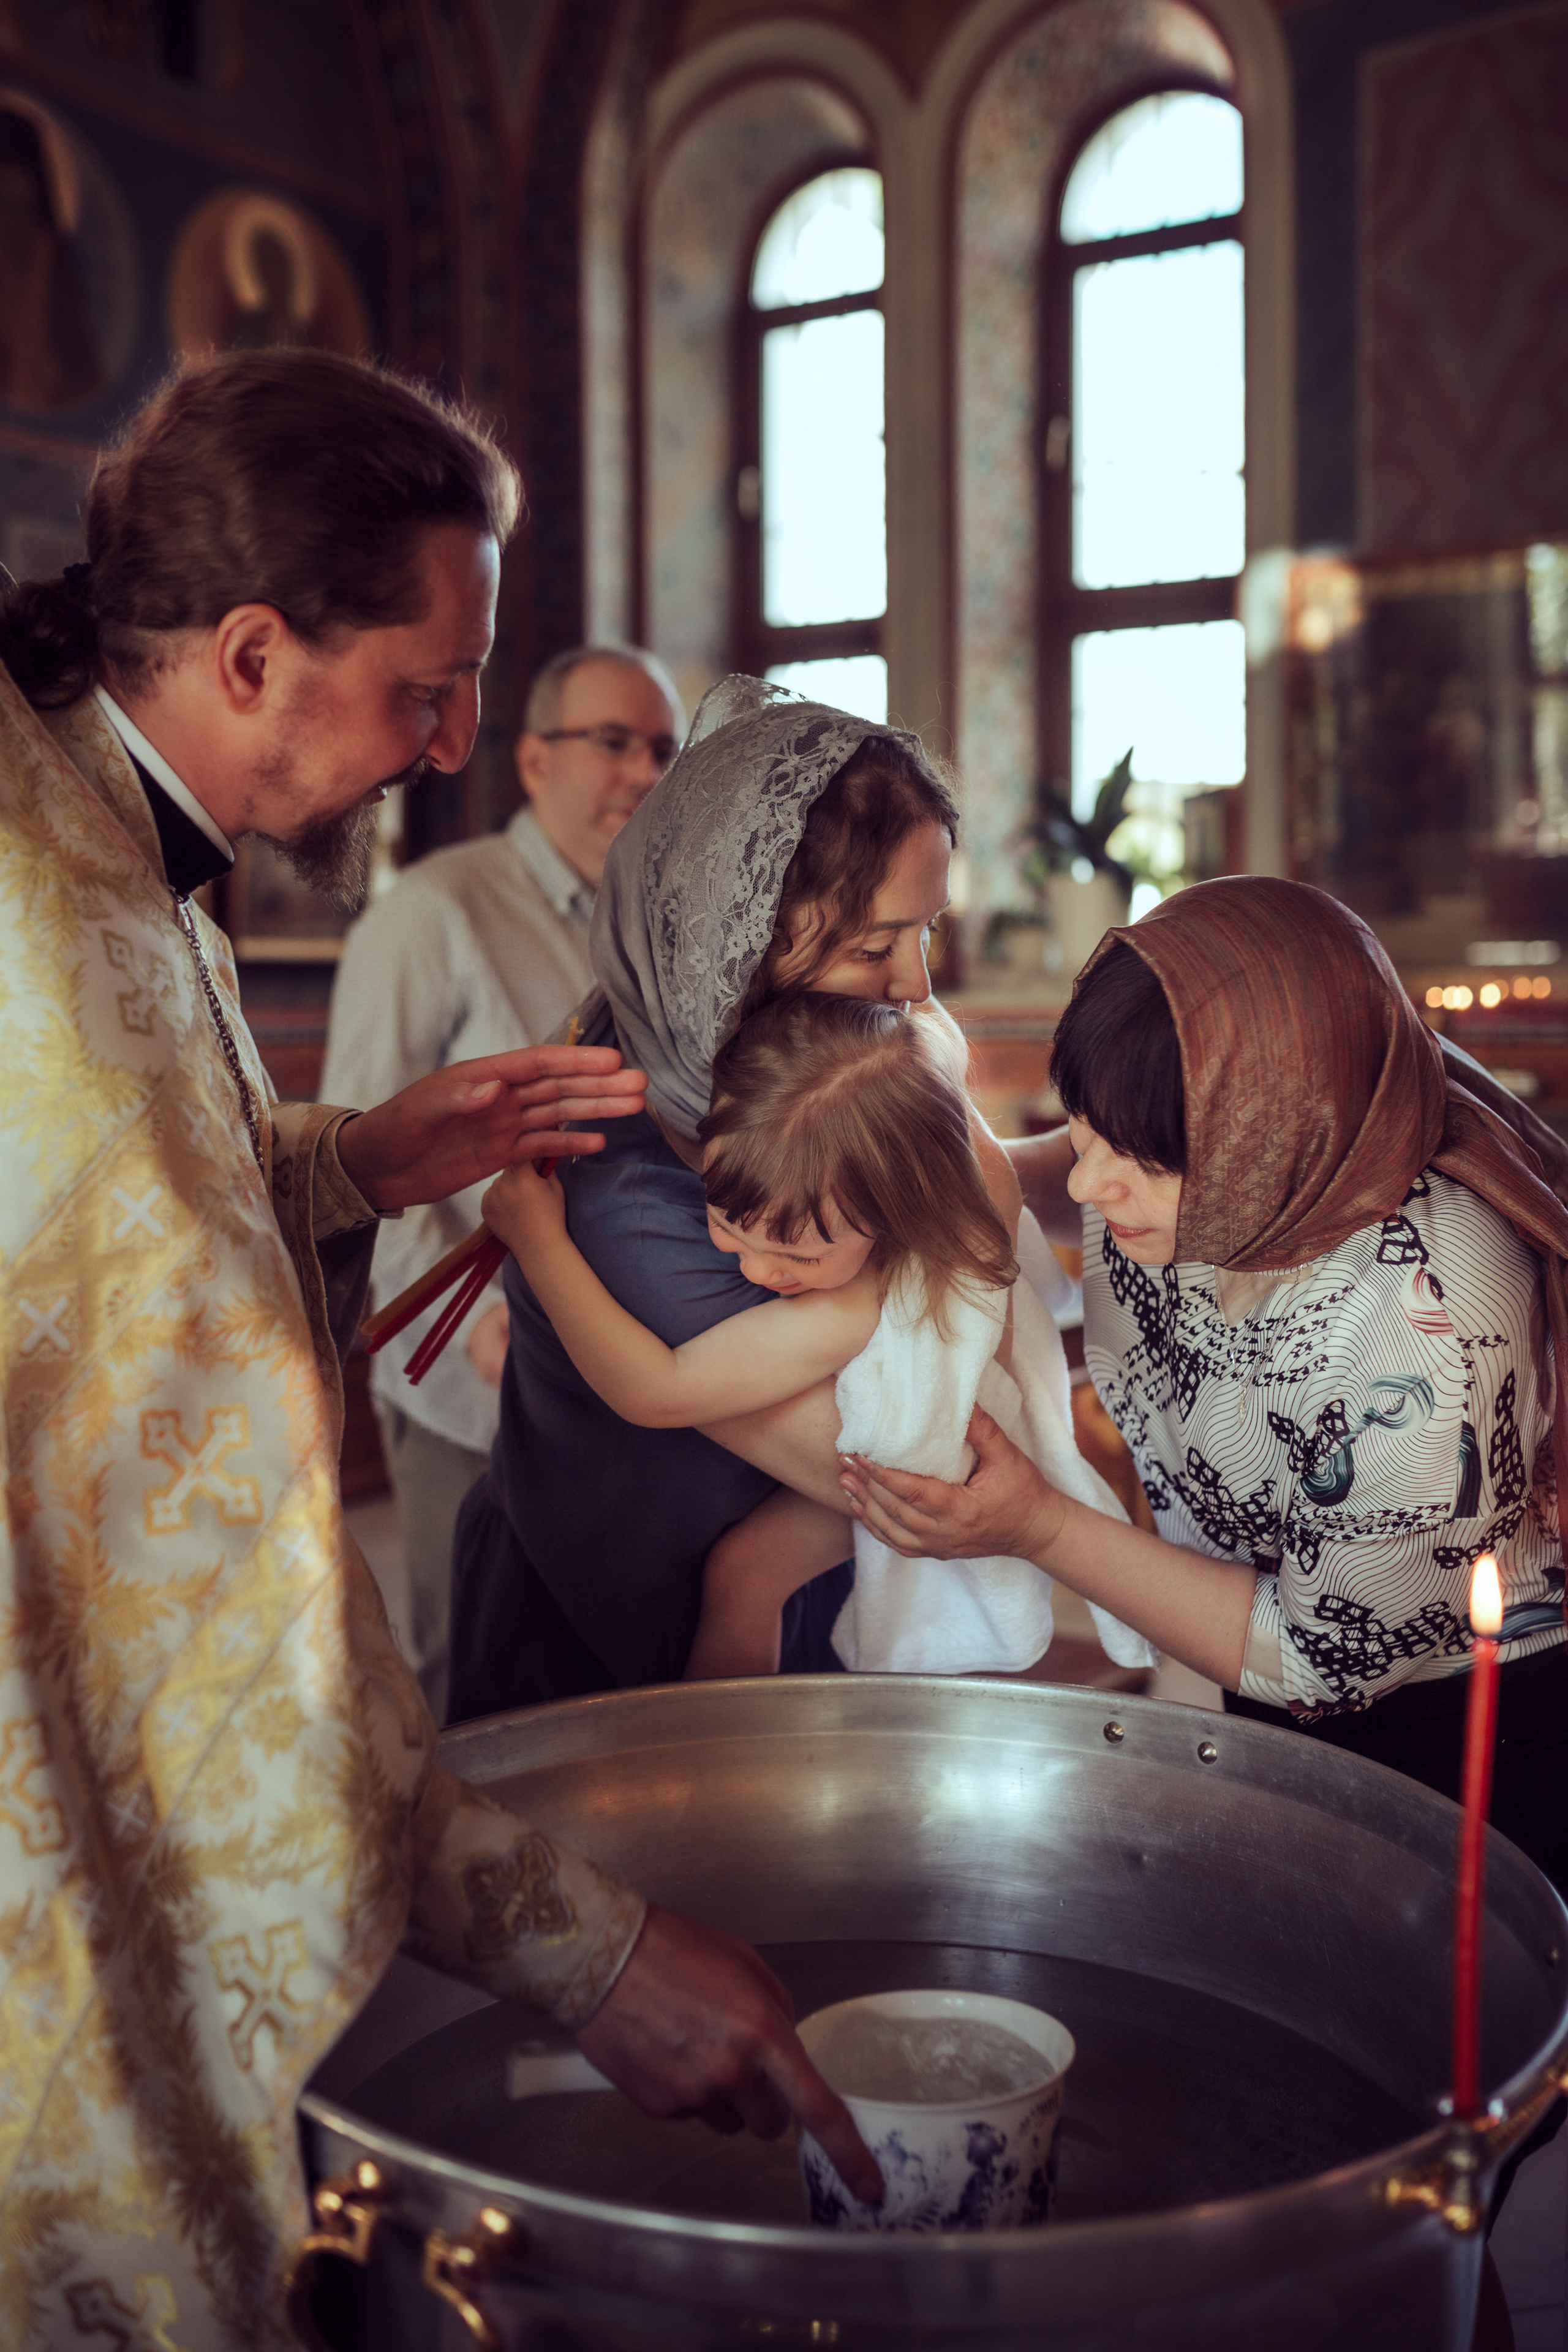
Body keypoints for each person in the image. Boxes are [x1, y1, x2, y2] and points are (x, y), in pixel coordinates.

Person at [0, 353, 876, 2352]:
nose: (459, 738)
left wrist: (350, 1157)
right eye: (427, 685)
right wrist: (599, 1954)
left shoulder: (86, 828)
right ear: (249, 654)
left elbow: (86, 1236)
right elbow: (206, 1635)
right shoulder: (51, 937)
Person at [839, 878, 1568, 1895]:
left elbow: (1316, 1656)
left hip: (1454, 1739)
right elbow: (1068, 1168)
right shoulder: (1211, 1155)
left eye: (1135, 1160)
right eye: (1087, 1129)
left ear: (1276, 1144)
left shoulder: (1424, 1332)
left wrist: (1037, 1527)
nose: (1090, 1185)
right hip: (1255, 1677)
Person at [447, 675, 966, 1717]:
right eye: (876, 945)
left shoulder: (793, 1086)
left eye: (926, 933)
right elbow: (893, 1473)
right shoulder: (616, 1185)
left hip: (799, 1635)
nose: (914, 983)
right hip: (608, 1652)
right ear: (744, 936)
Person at [482, 988, 1148, 1683]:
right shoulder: (896, 1185)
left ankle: (729, 1764)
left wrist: (538, 1242)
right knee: (747, 1570)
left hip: (934, 1475)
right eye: (726, 1228)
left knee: (744, 1571)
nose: (759, 1269)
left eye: (800, 1257)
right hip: (906, 1449)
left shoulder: (853, 1304)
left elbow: (656, 1390)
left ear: (895, 1216)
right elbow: (933, 1038)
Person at [320, 643, 682, 1721]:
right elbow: (353, 1163)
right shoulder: (434, 913)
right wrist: (480, 1318)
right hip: (470, 1370)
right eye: (613, 742)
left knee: (609, 1691)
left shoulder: (663, 926)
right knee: (468, 1689)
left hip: (627, 1378)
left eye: (662, 748)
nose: (644, 773)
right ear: (533, 760)